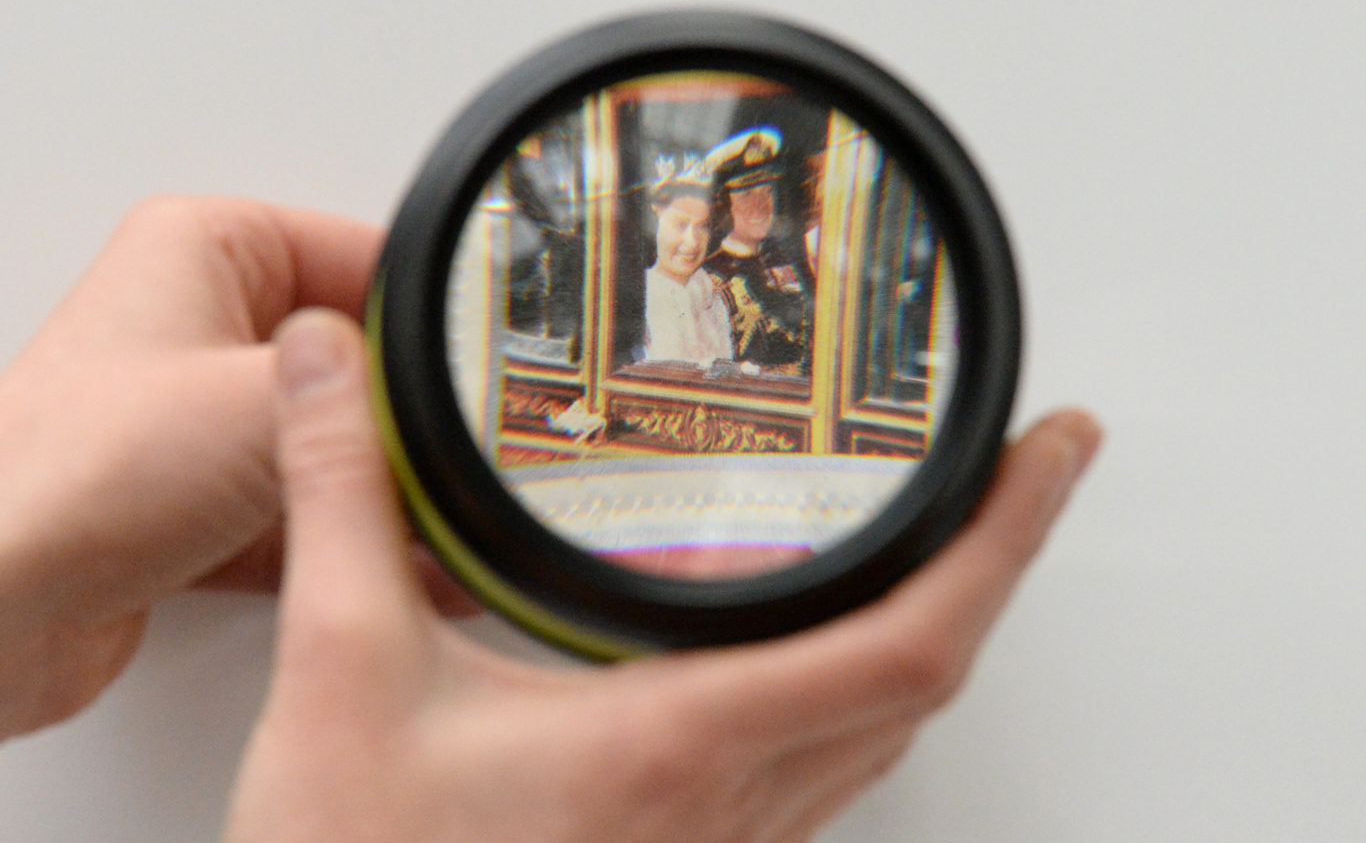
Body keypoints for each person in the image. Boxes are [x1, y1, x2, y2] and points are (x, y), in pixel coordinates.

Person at [0, 196, 1101, 841]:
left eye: (697, 232)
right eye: (672, 231)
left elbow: (719, 361)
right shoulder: (639, 303)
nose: (687, 245)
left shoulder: (718, 290)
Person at [702, 127, 815, 376]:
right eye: (746, 195)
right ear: (724, 207)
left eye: (767, 192)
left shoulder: (782, 262)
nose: (761, 206)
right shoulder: (707, 278)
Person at [642, 162, 733, 366]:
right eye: (680, 225)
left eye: (702, 226)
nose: (692, 241)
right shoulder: (641, 298)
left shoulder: (709, 294)